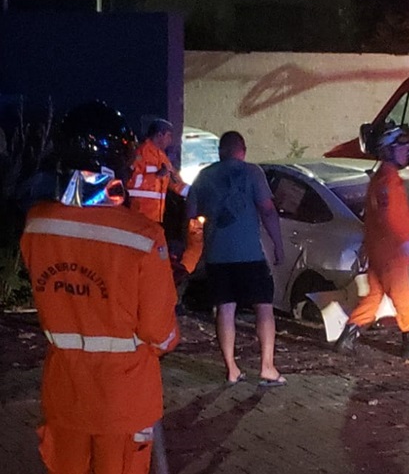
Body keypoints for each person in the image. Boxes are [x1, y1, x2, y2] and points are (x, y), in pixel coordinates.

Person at [19, 101, 180, 474]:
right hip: (123, 400)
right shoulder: (143, 237)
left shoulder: (37, 225)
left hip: (65, 394)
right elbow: (160, 332)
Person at [186, 131, 286, 386]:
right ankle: (267, 367)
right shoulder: (253, 173)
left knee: (225, 309)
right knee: (263, 306)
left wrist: (196, 250)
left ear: (220, 151)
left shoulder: (204, 176)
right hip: (250, 254)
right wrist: (278, 245)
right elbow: (268, 211)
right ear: (242, 149)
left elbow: (190, 216)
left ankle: (231, 369)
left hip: (217, 256)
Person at [333, 125, 409, 360]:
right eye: (403, 147)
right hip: (393, 254)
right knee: (404, 300)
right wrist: (405, 243)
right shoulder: (389, 181)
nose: (407, 151)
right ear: (390, 150)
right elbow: (390, 218)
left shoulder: (379, 179)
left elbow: (378, 217)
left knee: (373, 297)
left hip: (379, 252)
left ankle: (347, 338)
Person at [127, 118, 190, 224]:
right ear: (159, 135)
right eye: (169, 136)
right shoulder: (140, 153)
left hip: (155, 216)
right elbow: (130, 181)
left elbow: (175, 183)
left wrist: (195, 192)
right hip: (139, 214)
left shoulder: (162, 157)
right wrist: (156, 175)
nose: (170, 140)